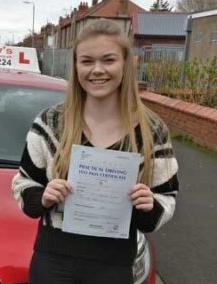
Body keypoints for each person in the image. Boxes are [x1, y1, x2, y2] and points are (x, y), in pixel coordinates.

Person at [11, 19, 179, 284]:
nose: (97, 70)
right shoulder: (50, 123)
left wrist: (149, 205)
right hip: (54, 261)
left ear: (125, 64)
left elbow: (167, 197)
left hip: (115, 264)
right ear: (76, 65)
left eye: (108, 60)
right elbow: (23, 182)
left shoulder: (151, 131)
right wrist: (43, 196)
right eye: (87, 61)